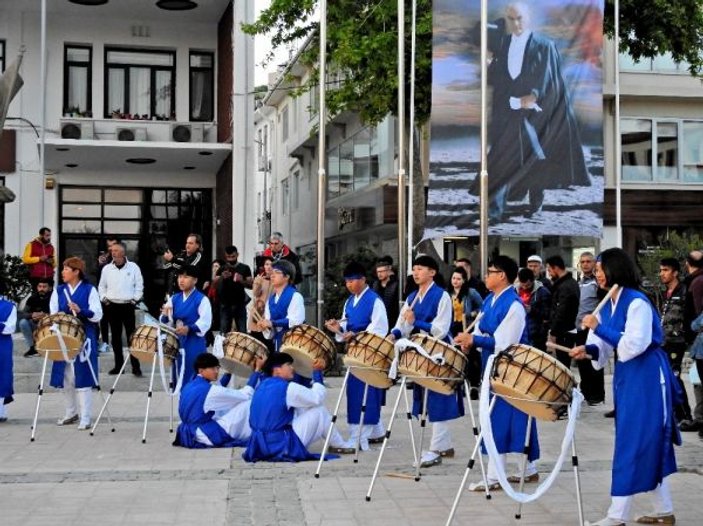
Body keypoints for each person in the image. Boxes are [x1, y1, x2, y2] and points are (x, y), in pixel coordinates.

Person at [570, 248, 680, 526]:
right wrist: (589, 350)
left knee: (634, 443)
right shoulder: (609, 303)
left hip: (648, 377)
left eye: (599, 268)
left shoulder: (637, 302)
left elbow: (633, 344)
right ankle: (664, 511)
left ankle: (617, 516)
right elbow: (605, 347)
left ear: (615, 269)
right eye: (594, 270)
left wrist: (599, 328)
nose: (596, 273)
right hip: (628, 377)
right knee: (640, 442)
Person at [480, 2, 589, 221]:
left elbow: (546, 77)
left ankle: (535, 200)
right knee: (501, 159)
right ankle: (495, 210)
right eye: (511, 19)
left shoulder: (543, 44)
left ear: (527, 19)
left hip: (532, 113)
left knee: (534, 156)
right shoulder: (502, 44)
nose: (516, 23)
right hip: (506, 113)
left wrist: (529, 98)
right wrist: (489, 64)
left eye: (520, 18)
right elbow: (496, 80)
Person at [455, 255, 540, 491]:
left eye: (490, 271)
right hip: (492, 368)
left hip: (512, 371)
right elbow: (482, 331)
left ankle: (506, 474)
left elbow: (504, 342)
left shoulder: (513, 304)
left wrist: (475, 339)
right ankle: (511, 472)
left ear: (501, 275)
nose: (486, 275)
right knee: (496, 420)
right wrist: (470, 340)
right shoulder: (489, 300)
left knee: (512, 420)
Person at [388, 255, 459, 468]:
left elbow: (441, 329)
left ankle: (436, 448)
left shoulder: (442, 295)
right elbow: (403, 323)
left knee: (438, 396)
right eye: (414, 269)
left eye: (420, 268)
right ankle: (444, 445)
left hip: (438, 351)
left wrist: (415, 321)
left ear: (432, 272)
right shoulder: (412, 296)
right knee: (428, 397)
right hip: (420, 350)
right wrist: (394, 334)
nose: (416, 272)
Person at [325, 261, 388, 450]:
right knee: (355, 392)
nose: (349, 285)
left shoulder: (374, 300)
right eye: (346, 282)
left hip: (370, 353)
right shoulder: (349, 301)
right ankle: (375, 431)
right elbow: (346, 325)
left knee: (366, 393)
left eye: (352, 281)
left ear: (362, 279)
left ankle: (358, 436)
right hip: (354, 353)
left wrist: (357, 334)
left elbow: (379, 328)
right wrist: (338, 328)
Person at [242, 353, 353, 462]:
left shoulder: (261, 385)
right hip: (279, 444)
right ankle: (340, 445)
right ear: (277, 370)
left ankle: (337, 443)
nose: (292, 368)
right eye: (288, 365)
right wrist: (317, 372)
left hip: (258, 445)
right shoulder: (287, 388)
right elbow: (317, 397)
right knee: (319, 410)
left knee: (304, 407)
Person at [50, 257, 103, 430]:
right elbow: (53, 314)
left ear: (76, 271)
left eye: (66, 269)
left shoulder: (89, 290)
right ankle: (71, 412)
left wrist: (81, 311)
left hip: (84, 336)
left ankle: (86, 417)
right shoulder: (59, 290)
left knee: (82, 375)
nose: (63, 272)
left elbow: (97, 315)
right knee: (66, 376)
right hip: (64, 336)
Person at [174, 352, 263, 449]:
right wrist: (257, 370)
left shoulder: (189, 385)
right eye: (213, 369)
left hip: (186, 432)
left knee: (225, 405)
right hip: (204, 434)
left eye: (217, 368)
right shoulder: (209, 390)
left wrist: (230, 370)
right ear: (201, 370)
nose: (216, 371)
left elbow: (218, 390)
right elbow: (246, 394)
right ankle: (259, 432)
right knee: (247, 403)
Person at [160, 265, 212, 387]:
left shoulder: (202, 299)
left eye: (186, 277)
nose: (181, 280)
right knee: (178, 377)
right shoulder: (174, 298)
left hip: (194, 343)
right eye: (179, 277)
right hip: (178, 343)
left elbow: (205, 322)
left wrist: (189, 328)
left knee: (193, 377)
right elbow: (165, 322)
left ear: (195, 280)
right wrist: (165, 315)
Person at [658, 258, 694, 429]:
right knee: (666, 378)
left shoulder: (684, 290)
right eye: (661, 270)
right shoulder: (664, 292)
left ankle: (685, 415)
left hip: (677, 341)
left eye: (665, 270)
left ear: (675, 272)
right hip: (663, 341)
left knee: (674, 376)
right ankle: (674, 414)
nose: (662, 274)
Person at [98, 243, 144, 377]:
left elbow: (139, 285)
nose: (113, 253)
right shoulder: (107, 268)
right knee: (116, 339)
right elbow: (101, 286)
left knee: (132, 337)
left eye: (116, 250)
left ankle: (136, 367)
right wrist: (104, 299)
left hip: (128, 305)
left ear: (123, 253)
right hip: (112, 306)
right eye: (112, 250)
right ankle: (118, 367)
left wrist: (135, 299)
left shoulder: (134, 267)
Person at [575, 251, 605, 406]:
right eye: (583, 262)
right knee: (582, 362)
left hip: (592, 328)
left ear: (594, 263)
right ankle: (586, 392)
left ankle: (596, 395)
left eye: (588, 261)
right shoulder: (578, 282)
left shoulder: (598, 282)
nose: (585, 264)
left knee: (593, 359)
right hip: (579, 328)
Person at [255, 260, 304, 353]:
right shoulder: (270, 300)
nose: (272, 275)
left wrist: (272, 323)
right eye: (272, 273)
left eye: (277, 273)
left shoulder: (295, 296)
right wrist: (265, 326)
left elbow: (296, 321)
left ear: (287, 277)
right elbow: (271, 332)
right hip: (278, 343)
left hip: (295, 344)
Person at [545, 255, 580, 368]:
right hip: (565, 330)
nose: (549, 274)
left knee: (563, 365)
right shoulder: (569, 283)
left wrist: (554, 331)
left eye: (550, 270)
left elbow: (562, 311)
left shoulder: (566, 286)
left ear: (555, 268)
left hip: (564, 332)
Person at [683, 249, 703, 439]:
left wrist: (693, 325)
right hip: (697, 341)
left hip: (700, 340)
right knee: (697, 381)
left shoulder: (697, 282)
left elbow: (699, 314)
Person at [216, 245, 253, 334]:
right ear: (225, 256)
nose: (231, 259)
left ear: (237, 255)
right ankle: (223, 348)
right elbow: (214, 284)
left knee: (242, 333)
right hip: (225, 304)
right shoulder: (222, 268)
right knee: (223, 333)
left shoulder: (245, 268)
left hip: (240, 304)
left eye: (233, 256)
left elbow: (251, 285)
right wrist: (222, 277)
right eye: (228, 257)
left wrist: (241, 280)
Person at [515, 267, 551, 351]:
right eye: (522, 285)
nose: (524, 287)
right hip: (519, 332)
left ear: (533, 281)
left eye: (527, 285)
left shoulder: (543, 292)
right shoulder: (514, 290)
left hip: (536, 334)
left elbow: (547, 314)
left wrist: (532, 310)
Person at [97, 236, 120, 354]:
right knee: (104, 319)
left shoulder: (122, 259)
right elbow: (100, 278)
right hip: (106, 293)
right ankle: (105, 343)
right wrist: (101, 264)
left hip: (119, 295)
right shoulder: (104, 258)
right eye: (109, 246)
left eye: (113, 245)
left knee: (116, 320)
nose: (111, 249)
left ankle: (116, 343)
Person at [18, 278, 52, 357]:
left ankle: (49, 345)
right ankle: (33, 348)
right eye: (40, 286)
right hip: (35, 325)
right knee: (23, 322)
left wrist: (45, 316)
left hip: (49, 325)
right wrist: (32, 315)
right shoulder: (32, 298)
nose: (41, 289)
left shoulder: (53, 297)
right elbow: (23, 313)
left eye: (44, 287)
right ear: (37, 287)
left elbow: (59, 313)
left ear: (50, 288)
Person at [248, 255, 274, 352]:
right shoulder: (259, 278)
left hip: (270, 314)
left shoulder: (276, 280)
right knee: (257, 342)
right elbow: (255, 293)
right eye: (266, 264)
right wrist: (258, 282)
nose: (269, 266)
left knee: (268, 343)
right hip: (258, 313)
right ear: (263, 266)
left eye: (271, 264)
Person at [0, 280, 17, 423]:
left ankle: (1, 411)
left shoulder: (9, 307)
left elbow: (10, 328)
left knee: (3, 375)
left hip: (2, 345)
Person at [371, 256, 400, 325]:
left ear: (388, 271)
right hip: (377, 320)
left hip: (392, 320)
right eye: (378, 272)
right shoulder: (375, 284)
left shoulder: (396, 284)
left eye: (381, 271)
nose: (379, 274)